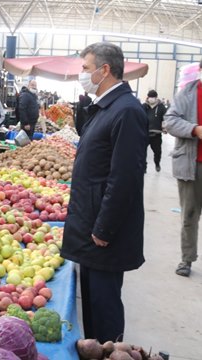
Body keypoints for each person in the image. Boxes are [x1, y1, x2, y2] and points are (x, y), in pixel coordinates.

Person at [62, 42, 148, 343]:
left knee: (104, 307)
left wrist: (103, 228)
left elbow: (125, 178)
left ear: (105, 69)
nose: (82, 75)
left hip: (103, 234)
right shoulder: (105, 107)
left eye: (86, 68)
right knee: (94, 307)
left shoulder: (127, 112)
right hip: (91, 225)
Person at [164, 59, 202, 277]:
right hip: (192, 164)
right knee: (189, 214)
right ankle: (187, 259)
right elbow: (169, 121)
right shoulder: (187, 94)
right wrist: (194, 129)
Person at [143, 90, 167, 172]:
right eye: (150, 97)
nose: (151, 99)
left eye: (153, 97)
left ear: (156, 97)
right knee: (142, 151)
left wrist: (165, 128)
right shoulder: (144, 106)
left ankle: (157, 163)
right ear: (147, 97)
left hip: (156, 134)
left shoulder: (161, 107)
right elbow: (139, 116)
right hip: (145, 133)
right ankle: (144, 166)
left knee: (157, 152)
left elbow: (165, 119)